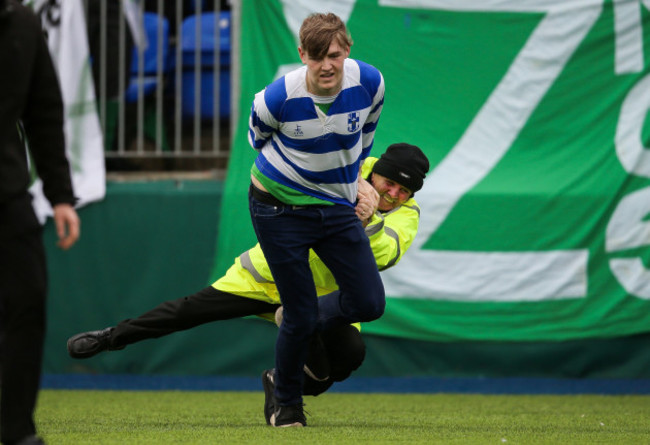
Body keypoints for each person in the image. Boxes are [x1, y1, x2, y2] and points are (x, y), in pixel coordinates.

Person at [66, 143, 429, 424]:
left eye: (404, 191)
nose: (393, 194)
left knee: (346, 358)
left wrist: (367, 222)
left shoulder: (406, 217)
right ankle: (111, 337)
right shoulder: (343, 171)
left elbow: (387, 254)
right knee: (187, 311)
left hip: (323, 302)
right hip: (266, 277)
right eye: (389, 183)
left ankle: (278, 382)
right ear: (376, 171)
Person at [247, 12, 386, 427]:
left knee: (369, 302)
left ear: (347, 51)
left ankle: (295, 315)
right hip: (278, 209)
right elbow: (258, 140)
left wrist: (355, 182)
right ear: (302, 55)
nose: (328, 65)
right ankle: (287, 405)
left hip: (337, 207)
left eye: (336, 55)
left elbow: (365, 137)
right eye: (318, 57)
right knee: (303, 312)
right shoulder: (274, 98)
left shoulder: (371, 83)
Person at [0, 1, 81, 444]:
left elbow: (44, 112)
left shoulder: (24, 24)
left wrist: (61, 197)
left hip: (7, 191)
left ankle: (16, 432)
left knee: (28, 299)